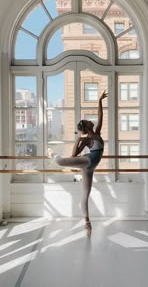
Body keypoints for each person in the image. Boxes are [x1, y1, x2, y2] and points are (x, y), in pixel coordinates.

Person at [48, 90, 108, 237]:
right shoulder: (87, 139)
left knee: (85, 195)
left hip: (91, 166)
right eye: (87, 121)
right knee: (62, 161)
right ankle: (51, 153)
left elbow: (101, 115)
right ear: (87, 127)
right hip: (87, 160)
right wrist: (79, 139)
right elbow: (74, 154)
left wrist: (100, 100)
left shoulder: (97, 132)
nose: (89, 120)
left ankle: (87, 223)